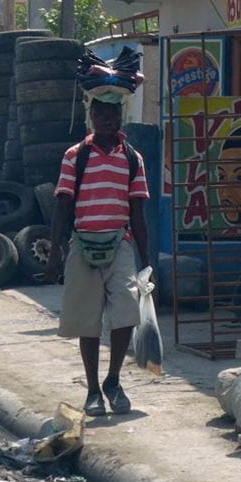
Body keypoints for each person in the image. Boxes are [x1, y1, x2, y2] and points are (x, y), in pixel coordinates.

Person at [44, 47, 150, 417]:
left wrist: (146, 262)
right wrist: (54, 253)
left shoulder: (132, 159)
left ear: (120, 116)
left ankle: (113, 380)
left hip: (120, 244)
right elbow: (62, 206)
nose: (106, 118)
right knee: (87, 322)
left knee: (126, 314)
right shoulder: (76, 156)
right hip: (83, 244)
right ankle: (92, 390)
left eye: (112, 113)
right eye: (100, 112)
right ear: (91, 115)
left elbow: (138, 212)